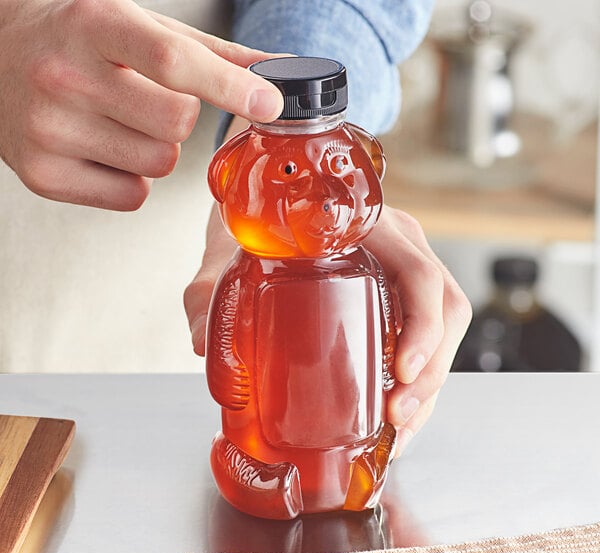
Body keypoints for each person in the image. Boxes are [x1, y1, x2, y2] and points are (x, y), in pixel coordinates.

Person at [0, 0, 471, 456]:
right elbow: (226, 347)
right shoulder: (245, 279)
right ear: (229, 175)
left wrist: (293, 118)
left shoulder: (358, 268)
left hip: (142, 384)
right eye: (294, 177)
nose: (327, 198)